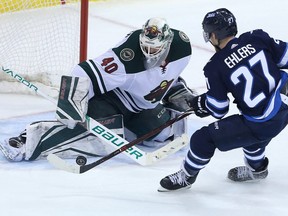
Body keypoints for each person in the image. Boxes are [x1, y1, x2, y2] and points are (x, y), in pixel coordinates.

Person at [0, 17, 196, 162]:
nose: (149, 53)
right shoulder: (126, 56)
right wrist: (71, 106)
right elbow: (82, 72)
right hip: (111, 101)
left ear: (167, 43)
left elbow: (166, 74)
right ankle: (28, 141)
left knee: (162, 134)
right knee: (96, 139)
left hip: (142, 108)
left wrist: (176, 89)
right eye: (146, 47)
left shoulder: (182, 47)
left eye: (155, 49)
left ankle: (123, 130)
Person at [158, 8, 288, 192]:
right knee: (250, 135)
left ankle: (185, 177)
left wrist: (200, 104)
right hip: (284, 106)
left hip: (262, 122)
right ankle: (257, 170)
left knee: (203, 139)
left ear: (213, 35)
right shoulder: (256, 37)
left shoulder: (215, 66)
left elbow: (218, 109)